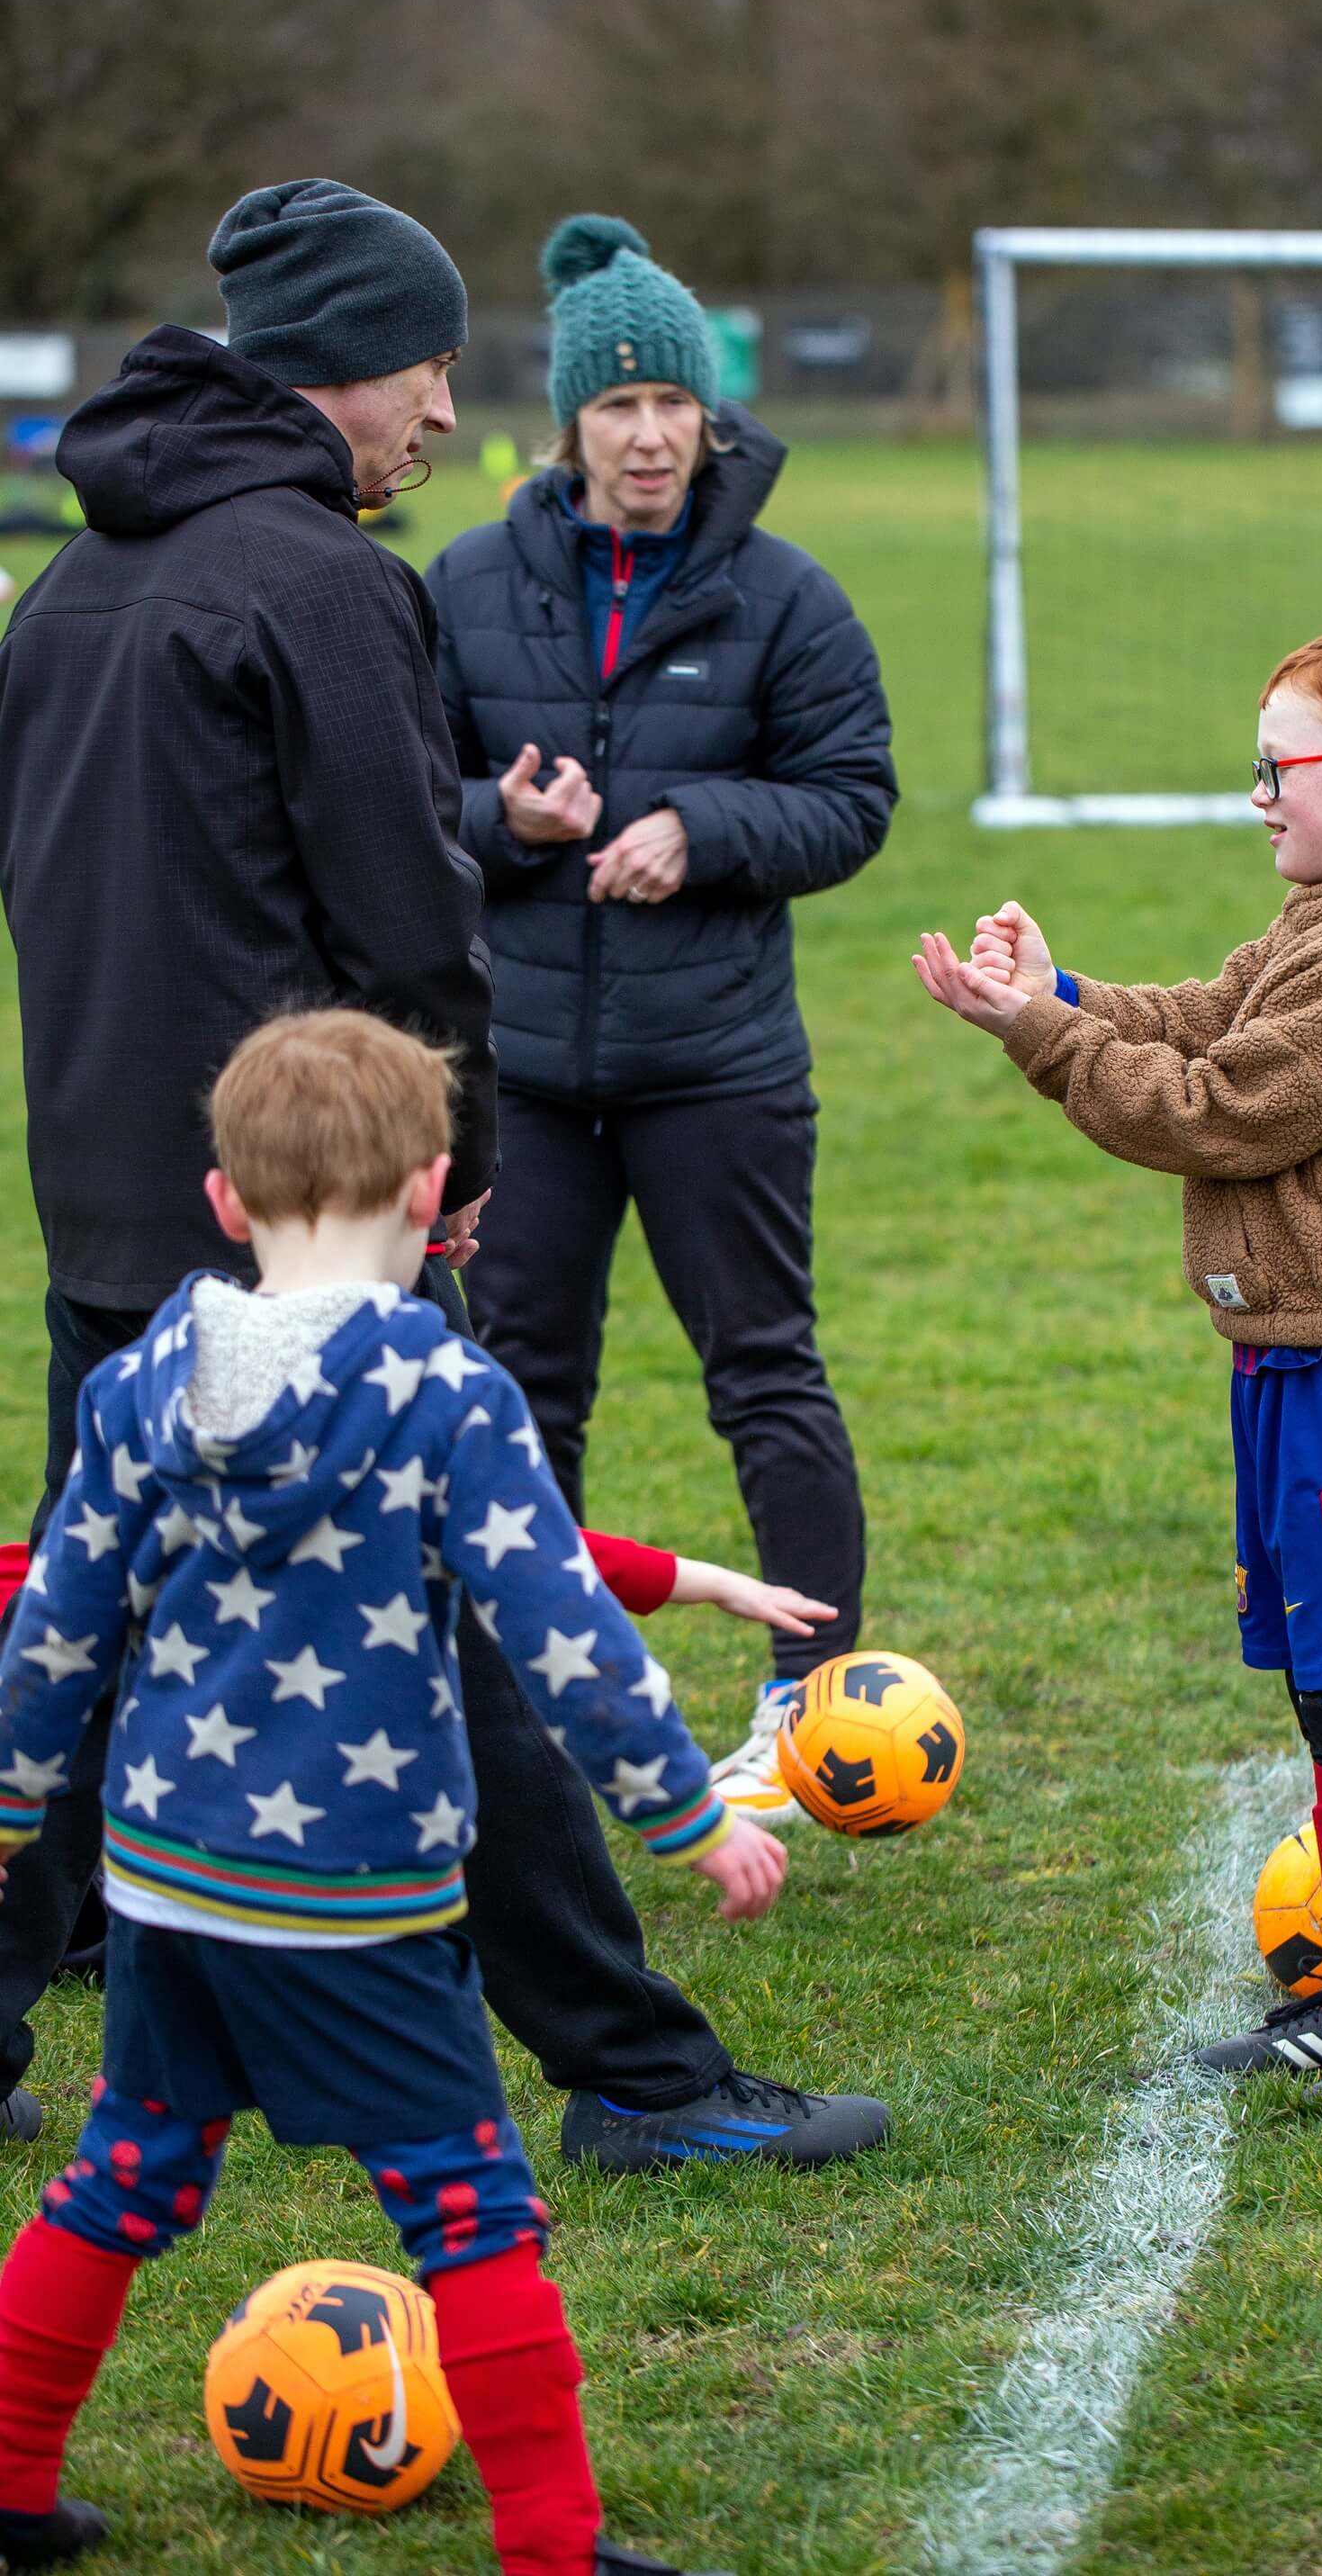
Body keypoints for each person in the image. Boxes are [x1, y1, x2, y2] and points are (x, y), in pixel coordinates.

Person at [0, 177, 887, 2174]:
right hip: (310, 1217)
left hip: (116, 1218)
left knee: (93, 1609)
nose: (437, 413)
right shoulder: (324, 585)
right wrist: (453, 1164)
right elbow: (406, 931)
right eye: (426, 369)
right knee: (465, 1624)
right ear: (345, 367)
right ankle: (640, 2078)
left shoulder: (74, 585)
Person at [0, 1010, 769, 2573]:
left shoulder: (142, 1378)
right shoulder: (444, 1388)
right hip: (352, 1894)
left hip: (161, 1879)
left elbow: (55, 1629)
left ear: (224, 1202)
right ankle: (553, 2548)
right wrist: (686, 1810)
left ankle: (6, 2484)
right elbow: (558, 1622)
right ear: (433, 1195)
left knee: (126, 2172)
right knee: (474, 2215)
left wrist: (12, 1812)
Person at [913, 617, 1322, 2105]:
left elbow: (1211, 1109)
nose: (1257, 797)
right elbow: (1200, 1019)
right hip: (1284, 1367)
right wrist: (1055, 996)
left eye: (1277, 770)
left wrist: (1044, 1041)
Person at [427, 215, 895, 1829]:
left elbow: (853, 800)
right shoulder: (470, 583)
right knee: (524, 1394)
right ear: (570, 419)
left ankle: (813, 1708)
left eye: (671, 406)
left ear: (711, 418)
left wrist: (700, 831)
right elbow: (404, 805)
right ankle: (540, 1718)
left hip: (719, 1066)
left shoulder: (786, 596)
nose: (646, 435)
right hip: (523, 1076)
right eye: (616, 406)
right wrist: (509, 820)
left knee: (765, 1373)